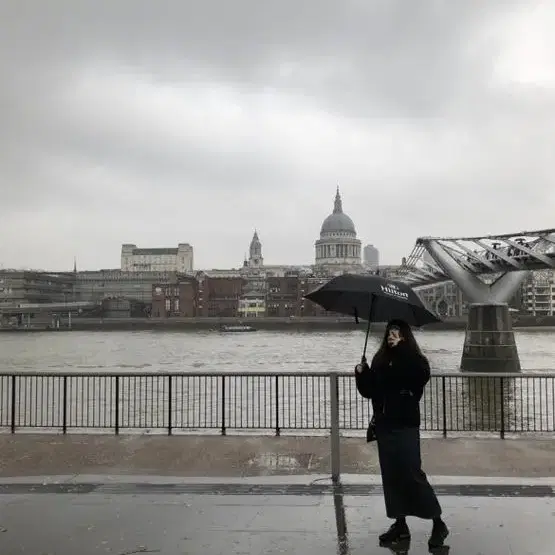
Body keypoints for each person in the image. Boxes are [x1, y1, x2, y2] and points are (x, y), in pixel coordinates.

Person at [354, 319, 449, 549]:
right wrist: (361, 373)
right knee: (392, 476)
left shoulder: (416, 361)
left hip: (406, 424)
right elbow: (370, 391)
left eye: (395, 333)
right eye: (388, 332)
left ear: (405, 336)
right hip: (385, 425)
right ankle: (400, 525)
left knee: (413, 474)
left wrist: (400, 355)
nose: (390, 336)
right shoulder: (380, 360)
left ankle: (438, 523)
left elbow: (419, 378)